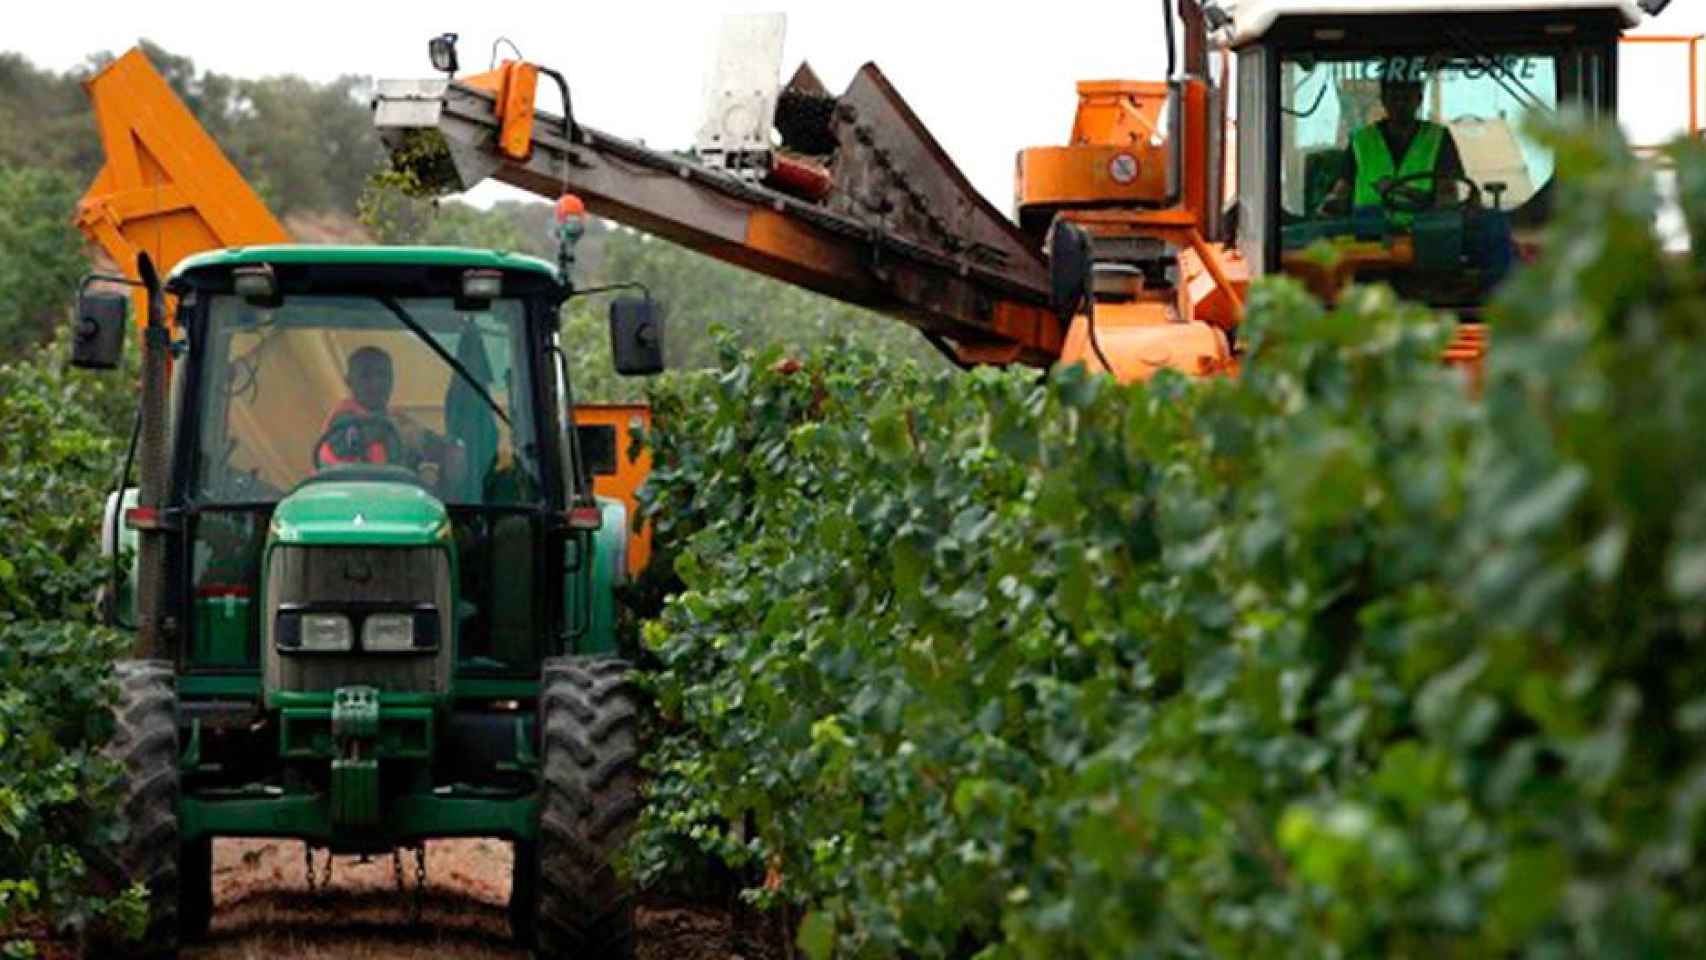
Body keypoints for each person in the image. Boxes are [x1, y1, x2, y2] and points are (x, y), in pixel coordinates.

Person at [1319, 72, 1467, 222]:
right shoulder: (1361, 141)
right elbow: (1341, 192)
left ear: (1419, 99)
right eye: (1394, 98)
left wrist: (1404, 192)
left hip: (1423, 238)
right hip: (1367, 239)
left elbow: (1447, 197)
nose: (1401, 104)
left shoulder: (1438, 138)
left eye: (1407, 98)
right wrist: (1331, 205)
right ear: (1383, 100)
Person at [317, 346, 446, 473]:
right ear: (349, 382)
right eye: (365, 376)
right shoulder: (342, 418)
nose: (376, 383)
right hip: (343, 490)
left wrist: (443, 449)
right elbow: (350, 441)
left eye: (383, 375)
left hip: (389, 490)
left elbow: (433, 445)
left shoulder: (399, 419)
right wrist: (400, 433)